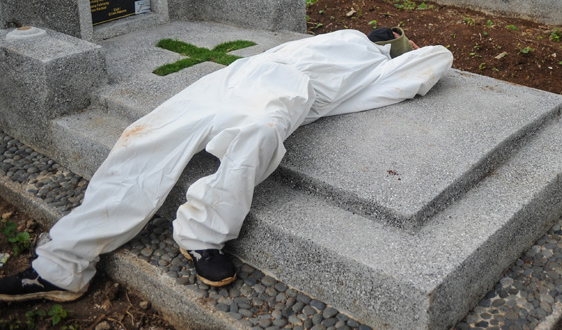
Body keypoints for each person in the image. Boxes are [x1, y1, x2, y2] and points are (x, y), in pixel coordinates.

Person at [0, 28, 452, 302]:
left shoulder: (381, 70)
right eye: (387, 33)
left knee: (259, 135)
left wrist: (409, 51)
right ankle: (60, 266)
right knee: (145, 140)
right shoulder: (343, 36)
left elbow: (435, 61)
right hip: (234, 76)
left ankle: (201, 236)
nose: (386, 33)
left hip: (288, 90)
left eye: (394, 37)